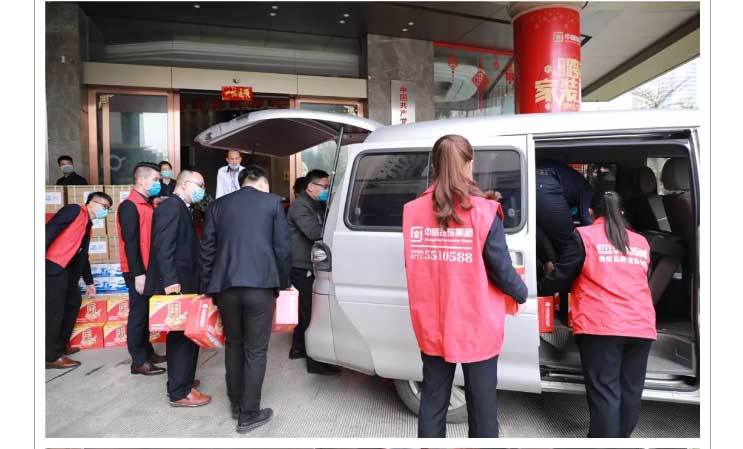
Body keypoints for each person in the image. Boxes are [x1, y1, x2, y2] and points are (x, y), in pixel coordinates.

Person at [402, 135, 528, 438]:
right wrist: (521, 293)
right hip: (476, 322)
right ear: (470, 164)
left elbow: (412, 262)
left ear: (434, 166)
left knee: (433, 400)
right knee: (482, 406)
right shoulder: (483, 212)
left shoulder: (412, 211)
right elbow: (501, 269)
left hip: (432, 320)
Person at [200, 164, 292, 433]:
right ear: (261, 182)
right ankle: (250, 413)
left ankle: (236, 403)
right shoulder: (272, 203)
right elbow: (283, 248)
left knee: (234, 344)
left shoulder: (218, 206)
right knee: (256, 349)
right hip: (261, 287)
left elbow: (207, 248)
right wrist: (284, 283)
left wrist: (209, 287)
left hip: (226, 287)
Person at [570, 191, 657, 438]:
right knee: (630, 392)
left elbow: (566, 273)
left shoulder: (584, 236)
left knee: (605, 393)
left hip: (601, 324)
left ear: (590, 213)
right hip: (641, 325)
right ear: (622, 213)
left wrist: (541, 287)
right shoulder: (641, 242)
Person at [144, 170, 211, 407]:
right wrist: (171, 280)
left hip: (185, 280)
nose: (202, 190)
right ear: (184, 184)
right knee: (182, 337)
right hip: (177, 284)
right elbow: (164, 246)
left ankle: (182, 381)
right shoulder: (171, 207)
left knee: (184, 335)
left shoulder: (180, 206)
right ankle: (180, 391)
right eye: (199, 185)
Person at [46, 191, 112, 368]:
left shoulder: (88, 226)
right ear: (91, 203)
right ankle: (50, 356)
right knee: (54, 312)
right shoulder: (74, 211)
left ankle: (60, 346)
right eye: (104, 206)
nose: (105, 211)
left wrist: (89, 282)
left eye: (108, 208)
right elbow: (49, 231)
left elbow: (83, 257)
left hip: (68, 272)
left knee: (73, 303)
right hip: (54, 266)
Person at [286, 169, 340, 375]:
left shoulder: (316, 204)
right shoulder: (300, 206)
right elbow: (314, 232)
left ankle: (298, 349)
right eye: (324, 186)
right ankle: (315, 361)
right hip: (301, 266)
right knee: (311, 313)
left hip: (308, 264)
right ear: (311, 187)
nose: (327, 190)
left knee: (305, 311)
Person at [116, 162, 166, 376]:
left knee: (145, 313)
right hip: (137, 270)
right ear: (141, 180)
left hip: (148, 268)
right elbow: (131, 242)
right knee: (138, 314)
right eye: (155, 180)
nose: (158, 183)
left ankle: (147, 352)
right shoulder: (129, 206)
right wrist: (138, 274)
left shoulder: (147, 204)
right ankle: (138, 360)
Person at [535, 160, 593, 298]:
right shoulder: (587, 190)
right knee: (570, 247)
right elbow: (587, 222)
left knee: (536, 229)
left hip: (528, 181)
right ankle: (559, 297)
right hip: (547, 185)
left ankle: (548, 266)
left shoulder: (571, 180)